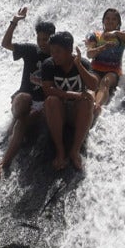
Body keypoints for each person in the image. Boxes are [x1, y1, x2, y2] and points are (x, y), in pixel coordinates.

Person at [0, 7, 55, 178]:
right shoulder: (31, 50)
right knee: (24, 98)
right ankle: (15, 124)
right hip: (23, 100)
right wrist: (14, 22)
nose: (41, 43)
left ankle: (2, 165)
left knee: (22, 123)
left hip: (41, 106)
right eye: (39, 39)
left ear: (53, 38)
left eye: (45, 39)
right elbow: (5, 44)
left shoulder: (58, 57)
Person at [41, 32, 98, 171]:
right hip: (58, 113)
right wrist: (74, 94)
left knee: (87, 100)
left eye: (58, 52)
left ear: (69, 50)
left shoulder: (82, 62)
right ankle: (60, 151)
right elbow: (47, 90)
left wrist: (78, 65)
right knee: (51, 100)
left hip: (76, 113)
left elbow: (94, 85)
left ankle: (75, 151)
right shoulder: (48, 64)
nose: (54, 55)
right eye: (52, 51)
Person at [85, 8, 125, 116]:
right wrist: (103, 47)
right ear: (103, 21)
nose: (110, 21)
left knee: (105, 82)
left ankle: (96, 107)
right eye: (107, 18)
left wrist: (115, 33)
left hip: (113, 71)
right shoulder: (95, 35)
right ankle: (88, 105)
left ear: (118, 23)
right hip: (95, 69)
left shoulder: (121, 36)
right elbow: (89, 54)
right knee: (92, 83)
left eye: (114, 19)